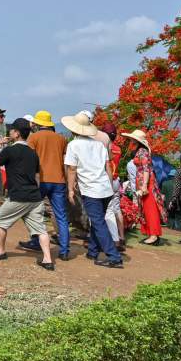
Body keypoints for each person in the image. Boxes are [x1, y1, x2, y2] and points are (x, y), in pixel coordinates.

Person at [0, 118, 55, 270]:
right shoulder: (33, 153)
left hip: (18, 196)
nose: (10, 132)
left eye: (12, 130)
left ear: (16, 133)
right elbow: (36, 175)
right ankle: (47, 260)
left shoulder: (10, 150)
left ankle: (0, 251)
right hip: (34, 197)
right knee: (41, 229)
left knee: (0, 221)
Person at [63, 111, 123, 268]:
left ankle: (114, 256)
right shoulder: (99, 145)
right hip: (105, 188)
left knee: (97, 222)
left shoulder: (73, 145)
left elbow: (71, 169)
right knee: (98, 221)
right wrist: (109, 186)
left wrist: (70, 189)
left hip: (91, 190)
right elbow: (108, 167)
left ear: (73, 129)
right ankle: (93, 250)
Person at [21, 110, 71, 260]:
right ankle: (64, 250)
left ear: (38, 124)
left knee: (33, 212)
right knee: (61, 215)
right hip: (59, 181)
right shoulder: (62, 139)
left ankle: (36, 241)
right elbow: (66, 161)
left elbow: (28, 160)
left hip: (40, 179)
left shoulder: (33, 138)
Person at [121, 129, 166, 246]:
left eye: (132, 139)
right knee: (146, 209)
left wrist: (145, 185)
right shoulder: (141, 151)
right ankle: (151, 234)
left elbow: (146, 169)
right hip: (143, 182)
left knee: (150, 209)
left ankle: (154, 235)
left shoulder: (142, 151)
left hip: (146, 183)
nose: (131, 140)